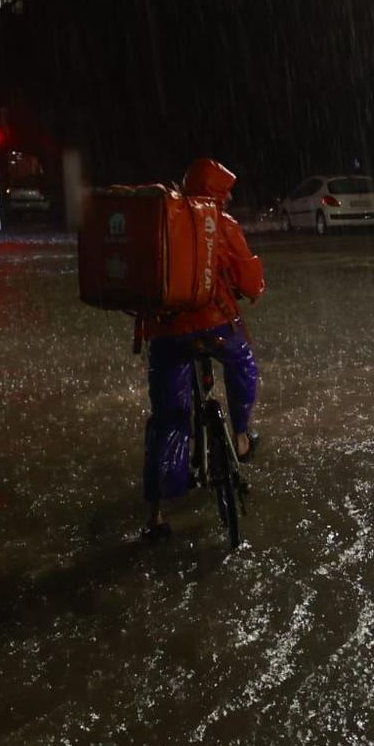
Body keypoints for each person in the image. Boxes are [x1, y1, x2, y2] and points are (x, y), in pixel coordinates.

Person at [137, 158, 266, 541]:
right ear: (214, 194)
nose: (227, 198)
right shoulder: (222, 227)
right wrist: (253, 289)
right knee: (242, 365)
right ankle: (241, 437)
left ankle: (157, 515)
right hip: (215, 327)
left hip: (166, 334)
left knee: (168, 418)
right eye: (223, 192)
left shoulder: (161, 225)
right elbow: (250, 279)